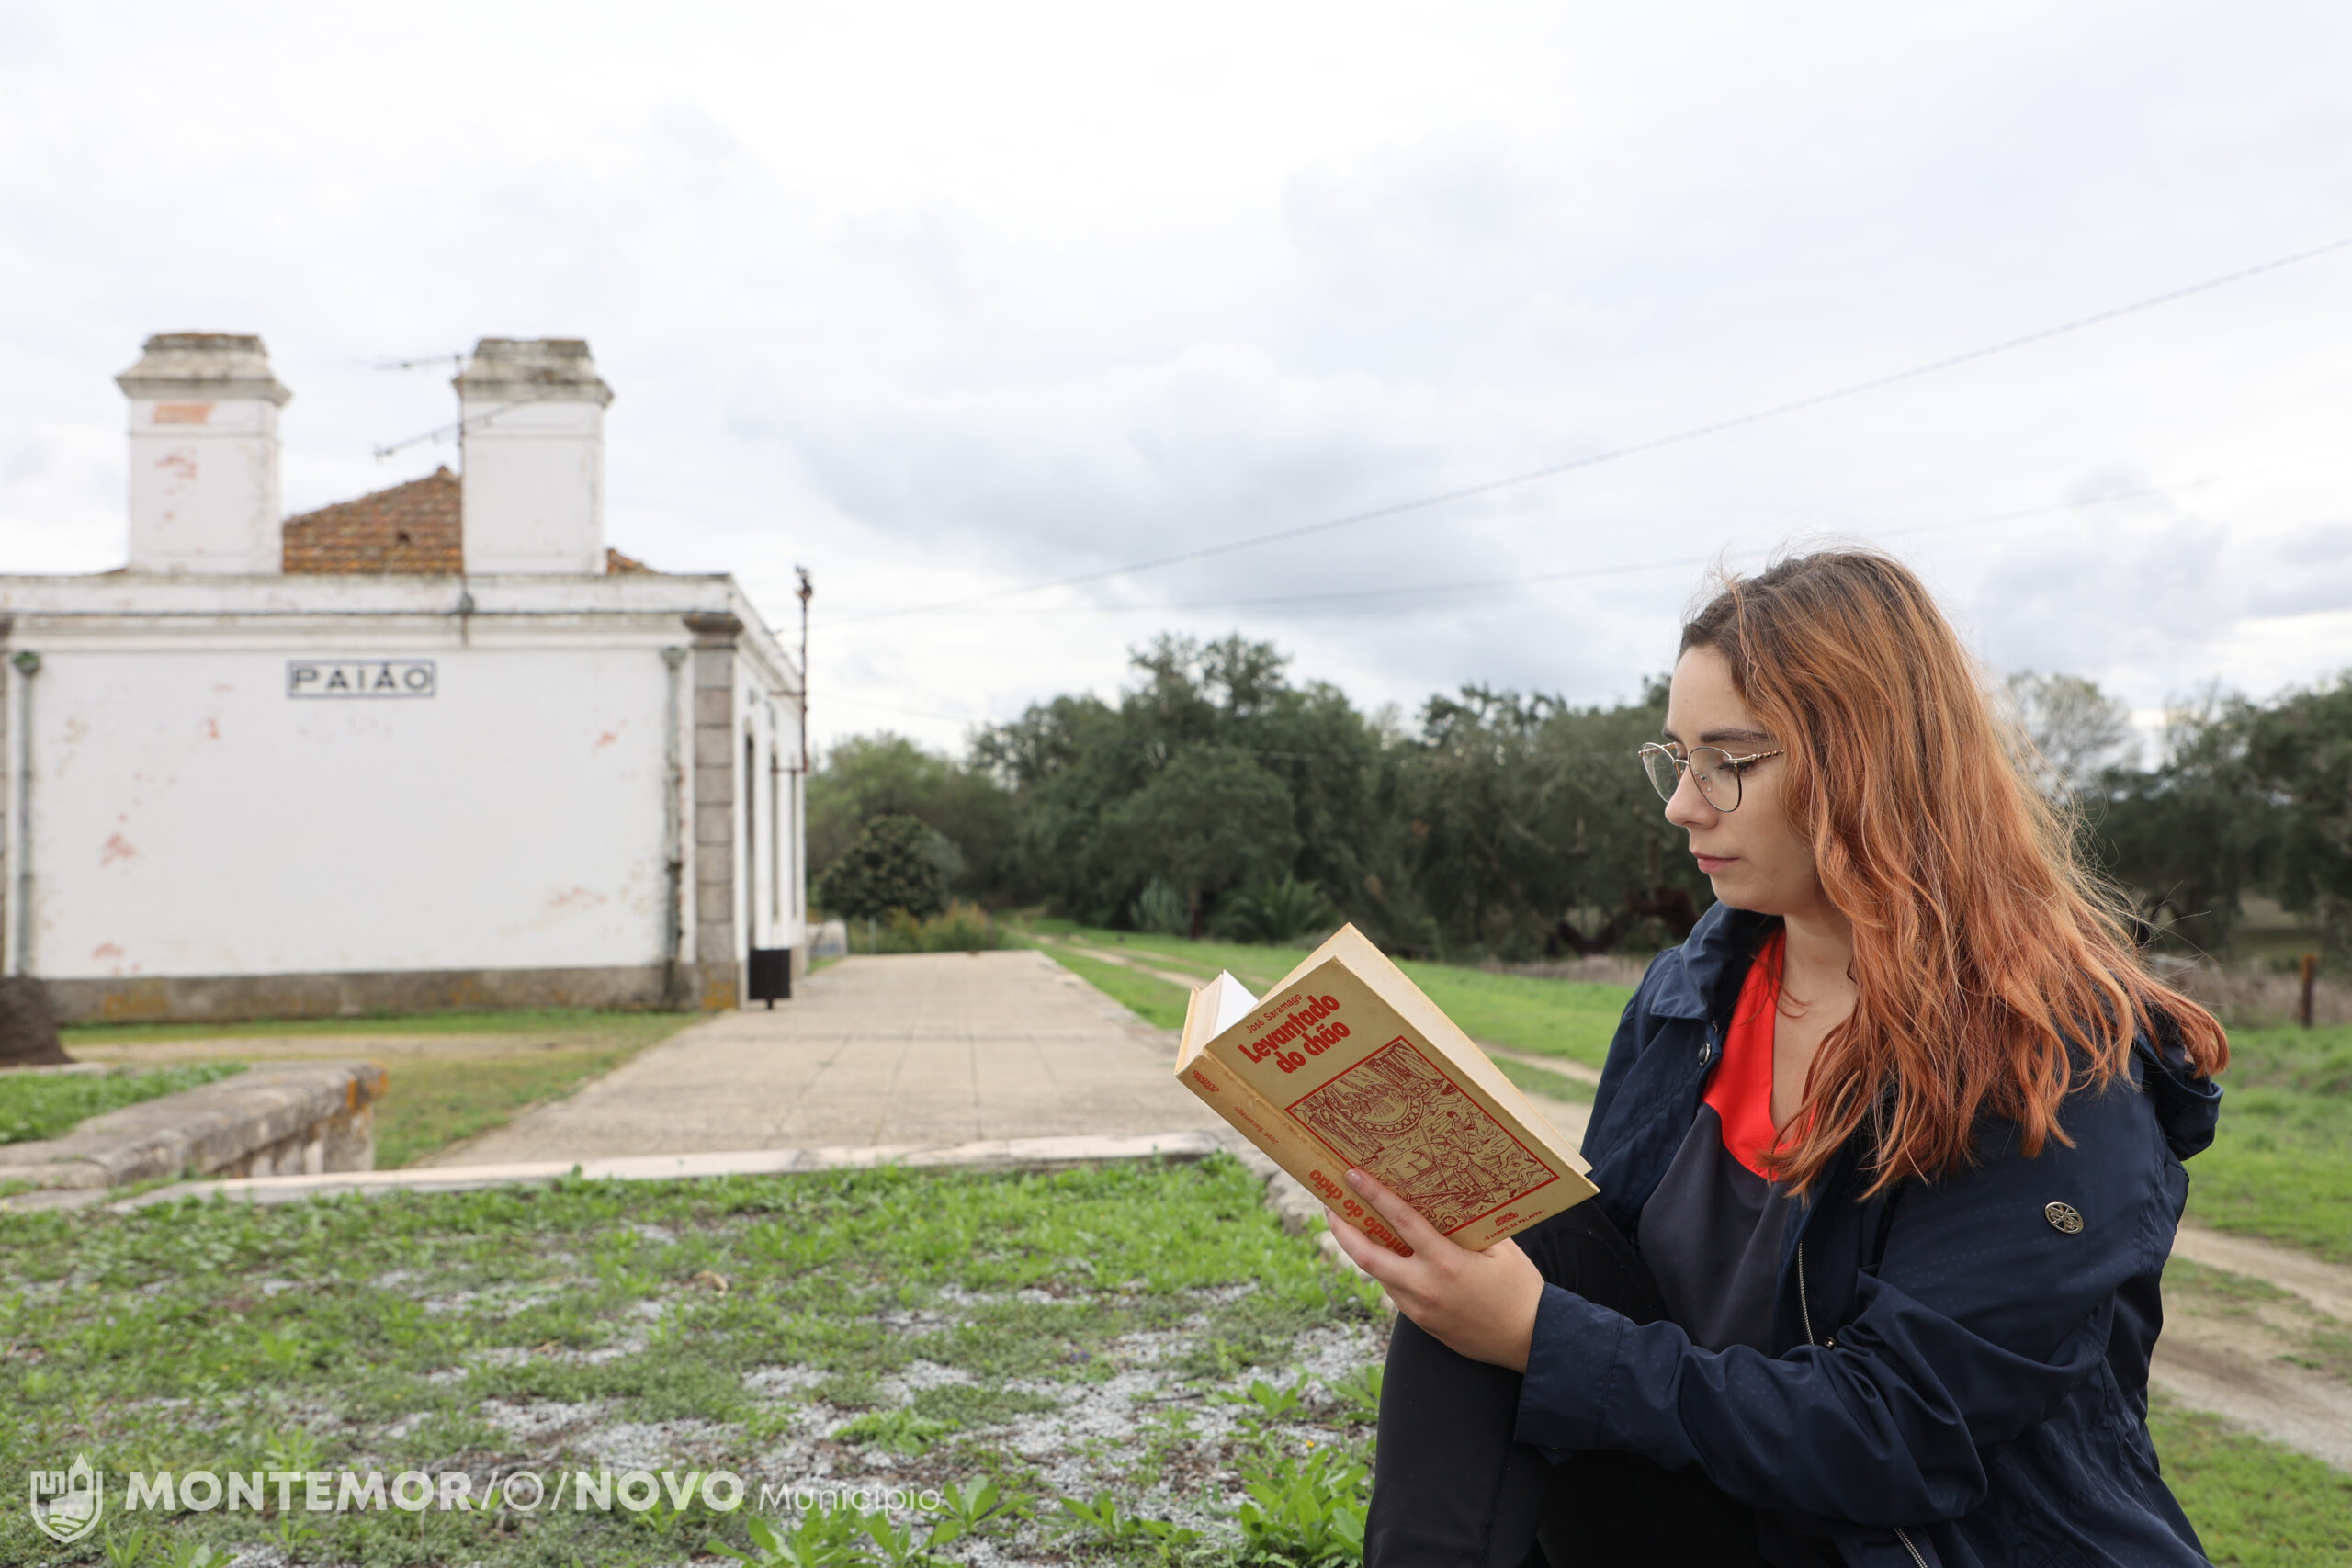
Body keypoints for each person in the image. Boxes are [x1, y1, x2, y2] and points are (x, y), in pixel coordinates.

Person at [1329, 550, 2229, 1568]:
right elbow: (1605, 1296)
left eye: (1731, 762)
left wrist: (1540, 1337)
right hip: (1728, 1504)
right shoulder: (1686, 998)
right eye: (1675, 758)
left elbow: (1901, 1436)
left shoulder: (2052, 1057)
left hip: (1912, 1539)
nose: (1681, 805)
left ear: (1872, 764)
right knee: (1513, 1246)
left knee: (1526, 1314)